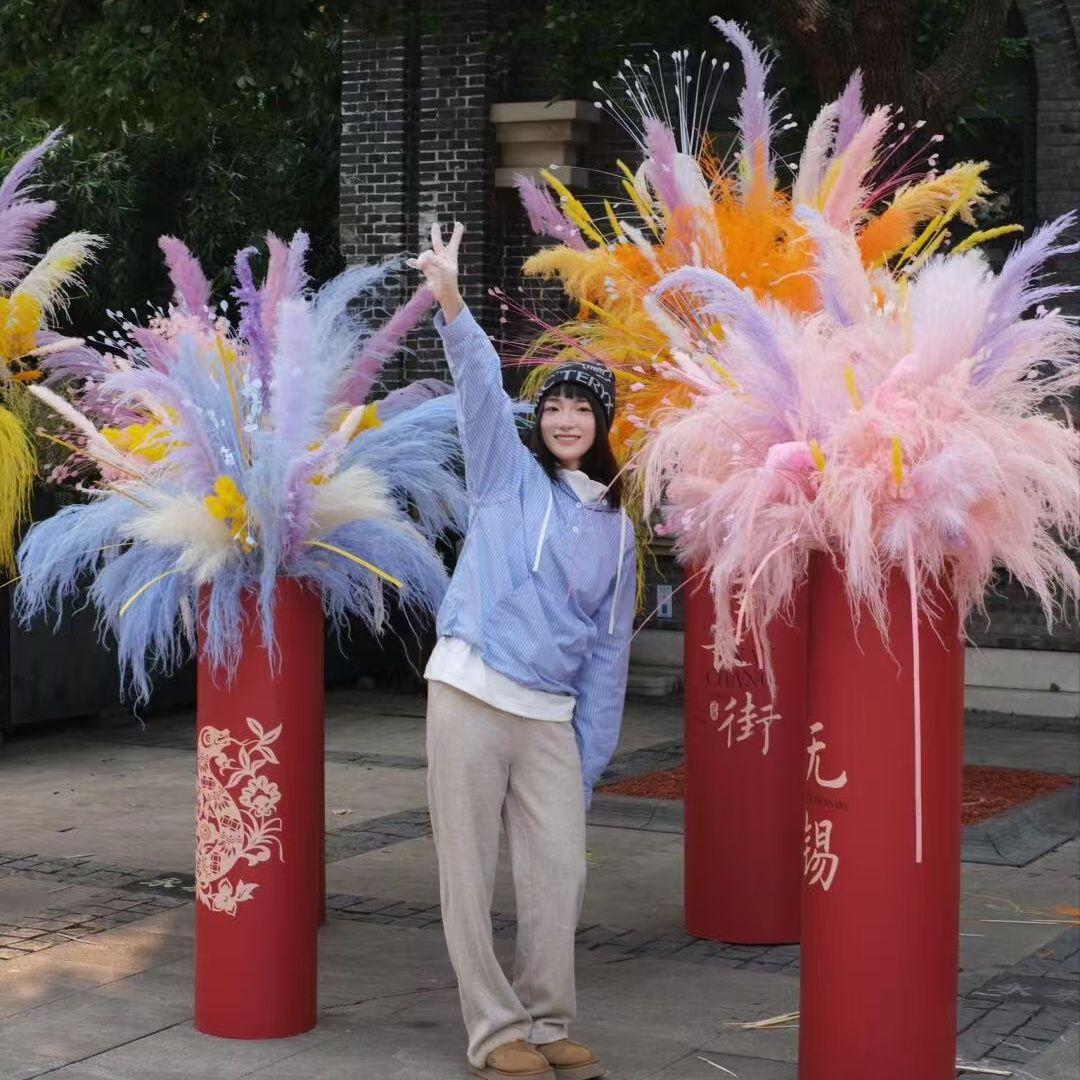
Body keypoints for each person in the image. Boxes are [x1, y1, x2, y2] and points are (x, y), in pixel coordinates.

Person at [409, 222, 636, 1080]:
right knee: (467, 874)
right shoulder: (504, 475)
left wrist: (589, 760)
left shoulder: (617, 527)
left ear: (602, 421)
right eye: (553, 406)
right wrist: (451, 301)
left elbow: (607, 656)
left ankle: (546, 1020)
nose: (566, 418)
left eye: (581, 407)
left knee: (558, 872)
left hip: (549, 716)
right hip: (470, 689)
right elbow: (476, 386)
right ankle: (495, 1029)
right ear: (537, 419)